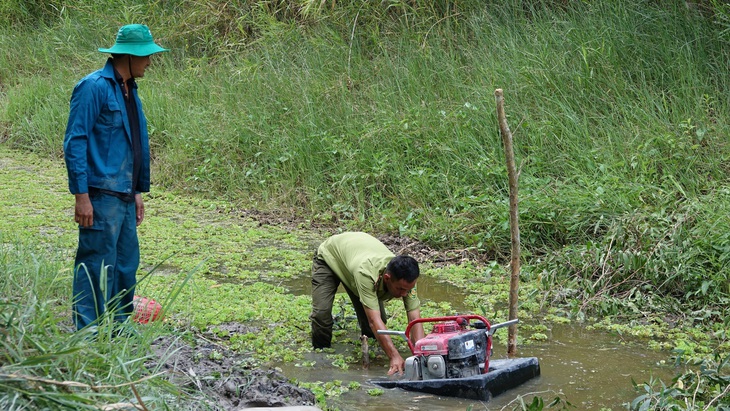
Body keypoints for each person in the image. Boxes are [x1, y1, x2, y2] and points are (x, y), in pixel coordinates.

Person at [63, 24, 168, 331]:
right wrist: (81, 197)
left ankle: (120, 330)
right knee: (95, 265)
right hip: (99, 195)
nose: (150, 62)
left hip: (123, 196)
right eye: (146, 56)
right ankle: (87, 334)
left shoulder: (129, 91)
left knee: (124, 267)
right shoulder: (93, 87)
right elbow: (75, 141)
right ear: (130, 56)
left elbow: (132, 143)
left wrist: (137, 190)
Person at [310, 232, 425, 375]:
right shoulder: (366, 274)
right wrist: (394, 356)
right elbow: (373, 320)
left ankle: (374, 356)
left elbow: (415, 319)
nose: (404, 294)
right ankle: (321, 358)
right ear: (387, 278)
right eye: (400, 289)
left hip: (353, 260)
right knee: (322, 314)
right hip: (330, 257)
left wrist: (422, 354)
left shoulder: (407, 280)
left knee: (376, 328)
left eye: (407, 290)